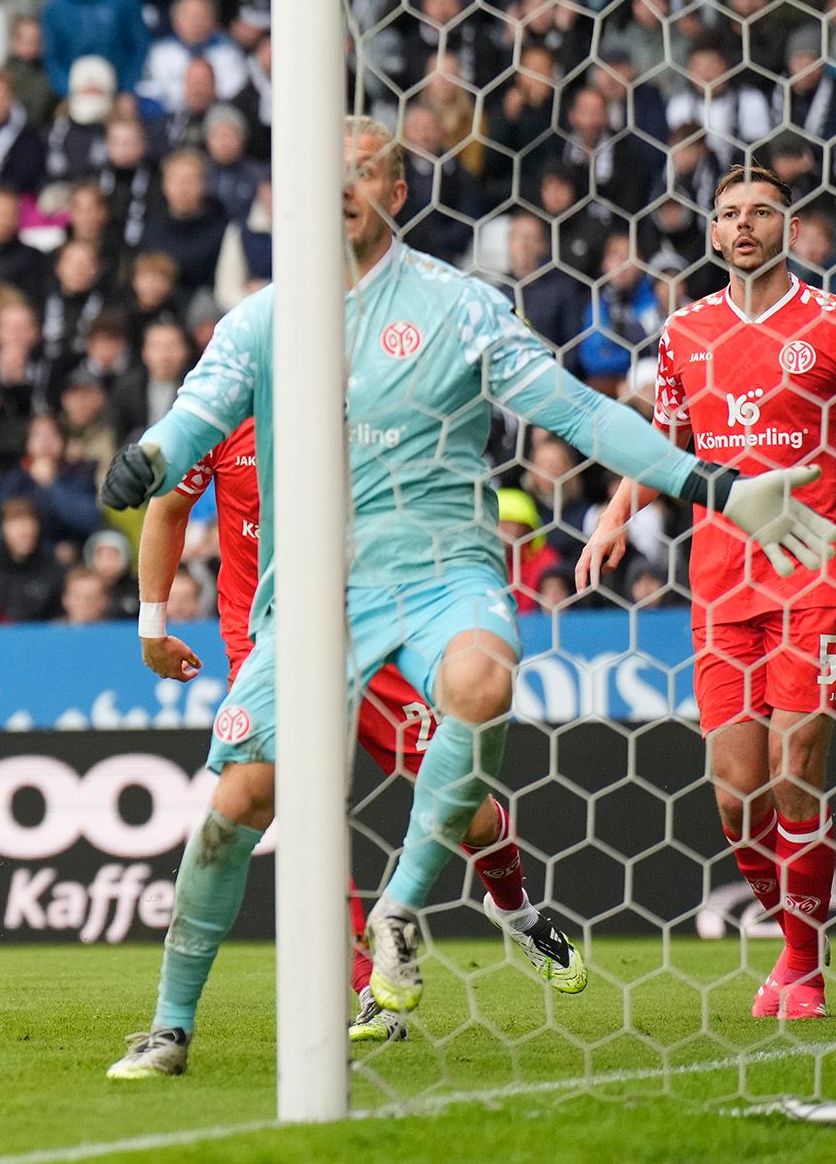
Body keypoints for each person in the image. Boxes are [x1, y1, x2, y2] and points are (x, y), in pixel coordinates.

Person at [97, 122, 835, 1078]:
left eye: (365, 171)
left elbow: (579, 410)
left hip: (444, 574)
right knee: (239, 803)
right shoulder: (263, 319)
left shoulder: (459, 306)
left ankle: (401, 911)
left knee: (483, 679)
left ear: (398, 191)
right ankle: (169, 1024)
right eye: (329, 172)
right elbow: (193, 419)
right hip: (313, 597)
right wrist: (148, 456)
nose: (344, 187)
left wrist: (718, 488)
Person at [580, 166, 836, 1020]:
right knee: (736, 791)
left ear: (789, 227)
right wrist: (612, 517)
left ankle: (804, 966)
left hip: (821, 571)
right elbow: (663, 443)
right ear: (713, 233)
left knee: (795, 767)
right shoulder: (685, 331)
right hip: (723, 583)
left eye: (761, 212)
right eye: (729, 214)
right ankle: (796, 934)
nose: (744, 224)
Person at [130, 415, 581, 1052]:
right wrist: (152, 626)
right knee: (304, 818)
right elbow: (169, 505)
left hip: (373, 627)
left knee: (468, 810)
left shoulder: (372, 404)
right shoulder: (228, 406)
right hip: (270, 643)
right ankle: (371, 988)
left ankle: (516, 910)